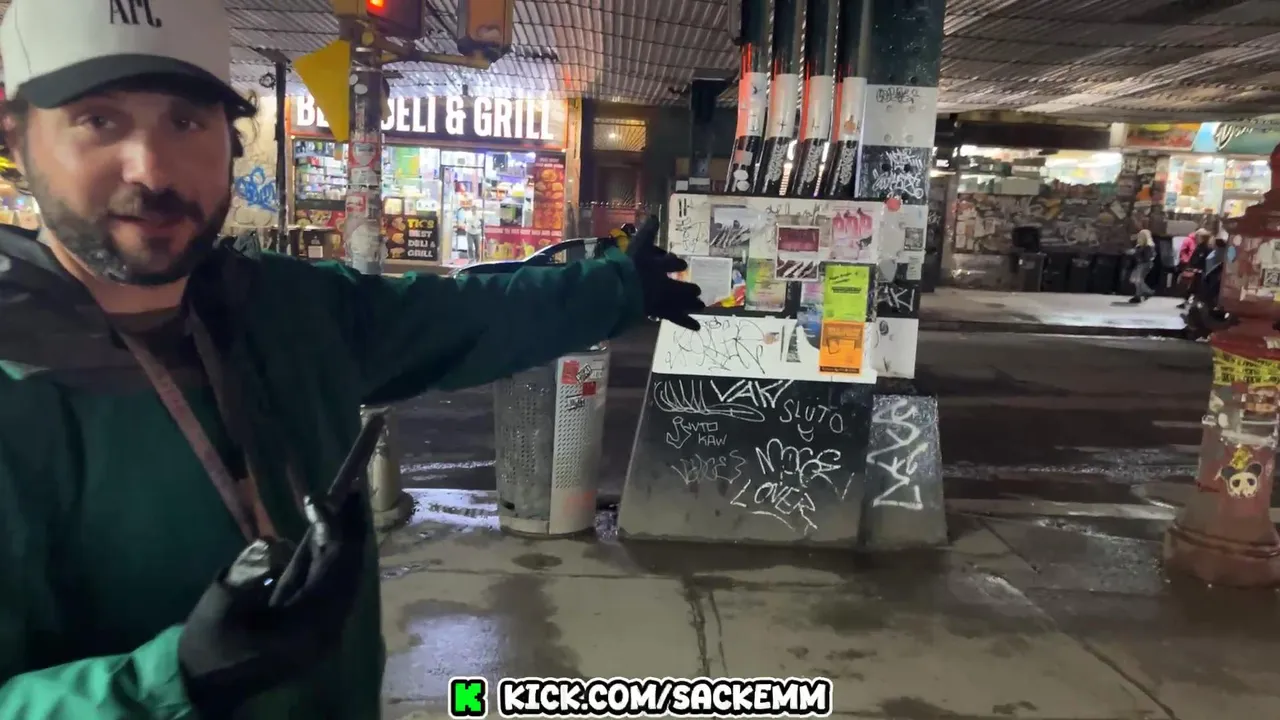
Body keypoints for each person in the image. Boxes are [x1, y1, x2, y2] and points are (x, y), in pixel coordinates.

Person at [0, 0, 704, 717]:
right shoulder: (16, 386)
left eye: (185, 122)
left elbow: (461, 315)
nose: (151, 169)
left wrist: (617, 286)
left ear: (229, 141)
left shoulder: (282, 309)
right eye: (99, 120)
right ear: (17, 136)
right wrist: (176, 682)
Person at [1128, 228, 1157, 303]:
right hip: (1142, 264)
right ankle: (1140, 294)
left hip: (1144, 264)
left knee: (1137, 280)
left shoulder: (1148, 246)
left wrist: (1136, 253)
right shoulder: (1141, 245)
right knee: (1136, 280)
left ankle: (1145, 293)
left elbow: (1148, 257)